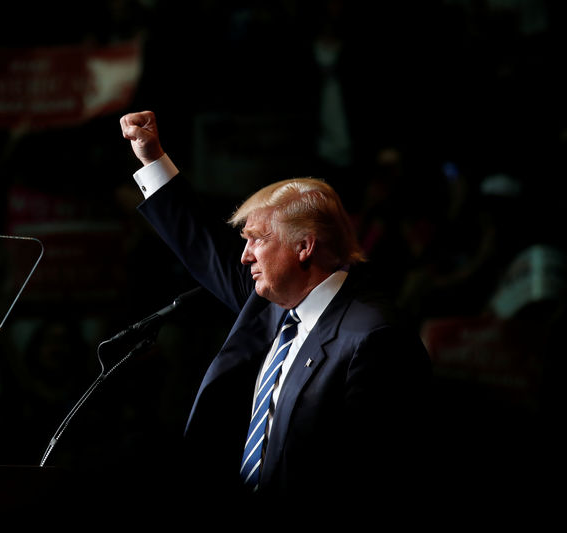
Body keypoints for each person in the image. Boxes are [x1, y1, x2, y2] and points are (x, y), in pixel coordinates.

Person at [119, 110, 432, 508]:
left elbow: (375, 476)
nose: (245, 256)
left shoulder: (374, 337)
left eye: (256, 240)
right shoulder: (272, 307)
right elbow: (203, 244)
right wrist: (151, 158)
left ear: (304, 246)